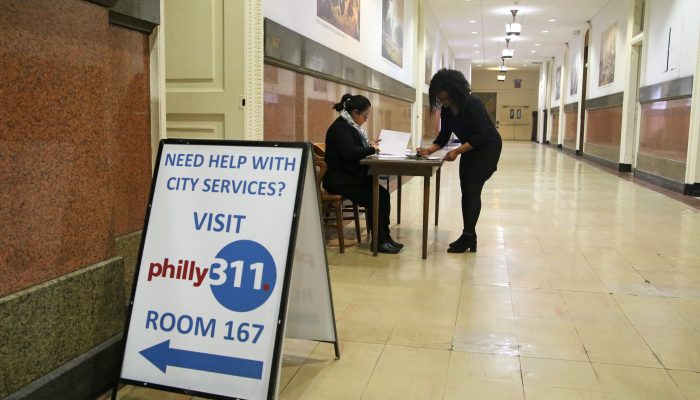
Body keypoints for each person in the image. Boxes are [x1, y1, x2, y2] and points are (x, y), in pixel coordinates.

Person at [418, 69, 502, 253]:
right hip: (470, 148)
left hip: (487, 147)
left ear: (453, 88)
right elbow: (444, 134)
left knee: (472, 189)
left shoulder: (473, 103)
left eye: (443, 94)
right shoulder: (447, 109)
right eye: (438, 96)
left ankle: (469, 236)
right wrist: (429, 150)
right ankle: (469, 236)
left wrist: (457, 151)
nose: (440, 99)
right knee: (466, 189)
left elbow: (482, 134)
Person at [323, 93, 402, 254]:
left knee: (383, 195)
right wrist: (372, 149)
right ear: (355, 113)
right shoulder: (340, 128)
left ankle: (384, 237)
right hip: (340, 179)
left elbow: (355, 148)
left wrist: (370, 145)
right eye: (365, 116)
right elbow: (349, 152)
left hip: (350, 176)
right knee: (377, 198)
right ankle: (379, 241)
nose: (366, 119)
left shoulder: (350, 126)